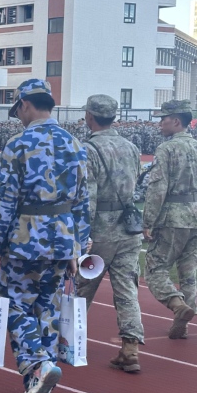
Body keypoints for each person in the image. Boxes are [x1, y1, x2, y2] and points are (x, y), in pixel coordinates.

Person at [0, 79, 89, 393]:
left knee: (14, 305)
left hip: (25, 240)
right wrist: (78, 248)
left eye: (18, 109)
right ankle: (39, 388)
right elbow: (83, 201)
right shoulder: (74, 142)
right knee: (47, 309)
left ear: (25, 105)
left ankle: (39, 366)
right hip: (63, 239)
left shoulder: (18, 144)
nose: (18, 115)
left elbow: (5, 202)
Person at [76, 95, 144, 371]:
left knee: (82, 288)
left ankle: (69, 340)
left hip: (100, 231)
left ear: (90, 116)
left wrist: (82, 235)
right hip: (128, 229)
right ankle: (130, 348)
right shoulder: (132, 147)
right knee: (127, 290)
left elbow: (87, 198)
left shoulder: (88, 149)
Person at [143, 99, 197, 339]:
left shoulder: (167, 149)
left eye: (163, 119)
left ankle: (177, 304)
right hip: (194, 215)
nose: (160, 124)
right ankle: (181, 324)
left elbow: (157, 188)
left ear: (176, 121)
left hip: (173, 217)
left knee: (155, 269)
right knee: (189, 272)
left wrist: (148, 221)